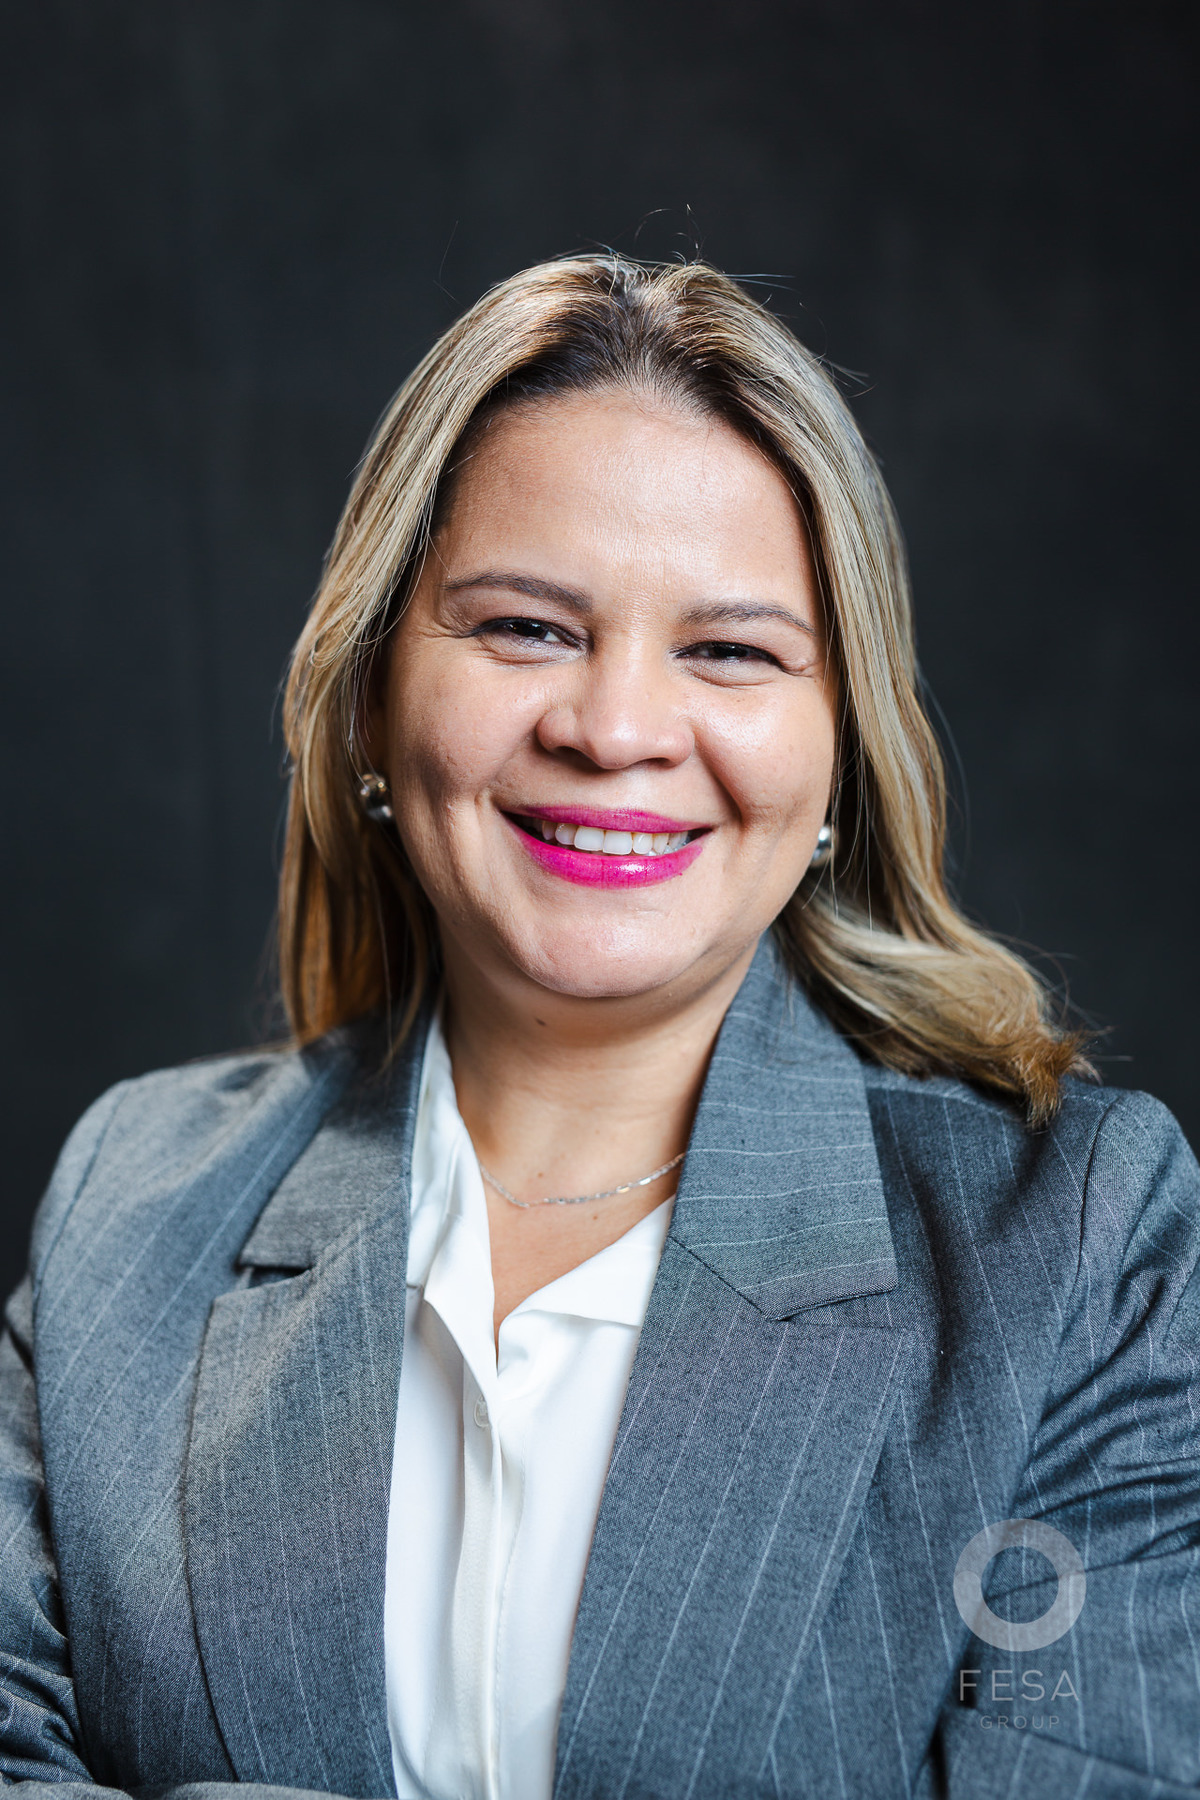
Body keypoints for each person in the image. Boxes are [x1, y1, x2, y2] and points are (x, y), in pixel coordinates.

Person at [3, 255, 1198, 1800]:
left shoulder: (1078, 1250)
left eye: (730, 650)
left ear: (838, 752)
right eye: (526, 627)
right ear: (371, 697)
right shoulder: (132, 1201)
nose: (616, 729)